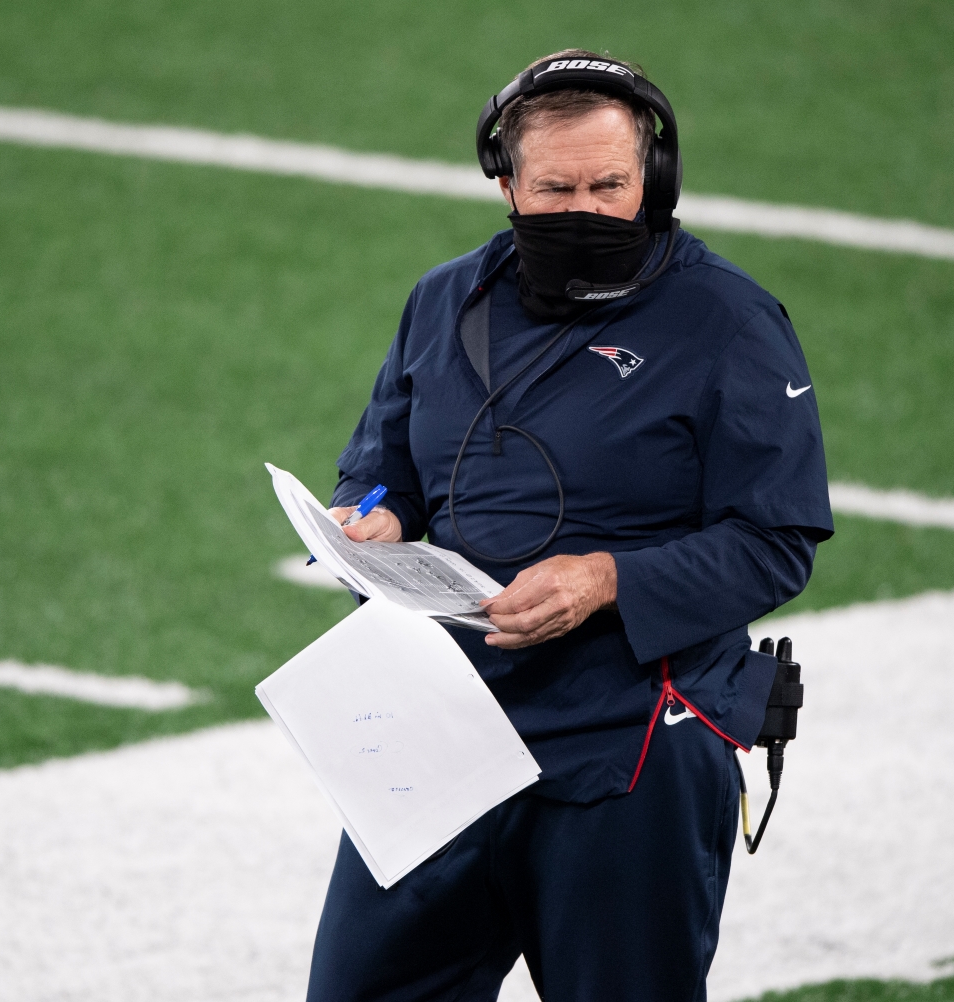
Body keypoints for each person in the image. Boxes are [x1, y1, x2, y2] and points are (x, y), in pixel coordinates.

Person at [311, 49, 833, 1002]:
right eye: (556, 187)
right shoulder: (442, 300)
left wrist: (608, 580)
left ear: (655, 181)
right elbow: (381, 466)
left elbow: (776, 537)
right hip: (439, 729)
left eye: (611, 184)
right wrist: (372, 522)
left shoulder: (729, 321)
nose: (585, 208)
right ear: (505, 181)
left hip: (628, 745)